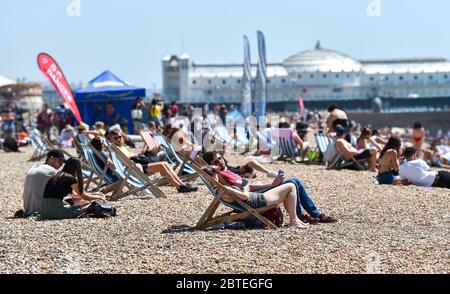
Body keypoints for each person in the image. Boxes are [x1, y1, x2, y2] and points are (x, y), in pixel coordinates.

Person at [203, 152, 337, 224]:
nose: (220, 161)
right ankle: (308, 215)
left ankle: (306, 215)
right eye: (216, 162)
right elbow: (248, 187)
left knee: (294, 181)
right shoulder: (223, 174)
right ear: (212, 166)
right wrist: (272, 185)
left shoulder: (225, 170)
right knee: (294, 182)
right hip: (255, 196)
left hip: (253, 194)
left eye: (220, 158)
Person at [107, 129, 198, 193]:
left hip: (137, 165)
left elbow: (130, 155)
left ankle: (181, 185)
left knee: (165, 164)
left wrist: (134, 154)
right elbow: (122, 158)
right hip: (134, 169)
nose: (118, 139)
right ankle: (179, 187)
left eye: (119, 137)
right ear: (110, 138)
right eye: (115, 138)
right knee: (162, 165)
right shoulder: (113, 149)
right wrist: (132, 154)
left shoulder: (122, 147)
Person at [39, 158, 107, 220]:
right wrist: (99, 197)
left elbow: (75, 195)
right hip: (56, 212)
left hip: (44, 211)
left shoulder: (57, 175)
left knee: (81, 201)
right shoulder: (70, 178)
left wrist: (94, 194)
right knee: (88, 205)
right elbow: (84, 196)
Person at [19, 150, 66, 217]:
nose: (60, 166)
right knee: (78, 202)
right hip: (40, 210)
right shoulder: (51, 171)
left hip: (28, 209)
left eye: (62, 164)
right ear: (51, 159)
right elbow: (69, 192)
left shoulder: (34, 167)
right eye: (59, 162)